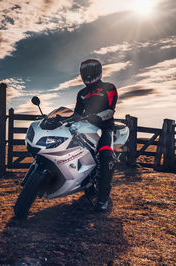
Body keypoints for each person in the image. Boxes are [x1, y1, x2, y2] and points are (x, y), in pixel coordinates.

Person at [73, 58, 118, 212]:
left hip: (105, 127)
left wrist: (99, 116)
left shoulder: (109, 87)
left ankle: (103, 198)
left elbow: (111, 109)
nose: (87, 74)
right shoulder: (81, 93)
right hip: (86, 128)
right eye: (84, 71)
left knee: (106, 155)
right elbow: (76, 114)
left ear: (98, 71)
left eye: (90, 70)